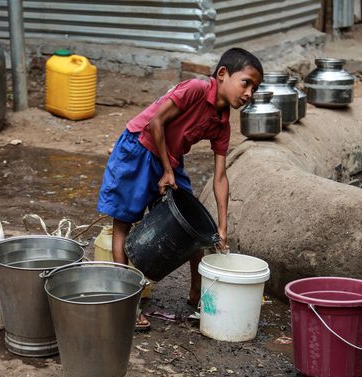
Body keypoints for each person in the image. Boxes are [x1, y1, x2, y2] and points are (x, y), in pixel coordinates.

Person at [96, 47, 264, 330]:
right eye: (246, 82)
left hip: (169, 159)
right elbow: (156, 122)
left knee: (193, 229)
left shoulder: (222, 123)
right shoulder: (196, 89)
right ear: (222, 74)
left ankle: (197, 295)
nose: (249, 94)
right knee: (124, 223)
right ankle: (128, 302)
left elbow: (220, 177)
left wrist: (222, 227)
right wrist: (167, 170)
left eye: (255, 88)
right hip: (139, 148)